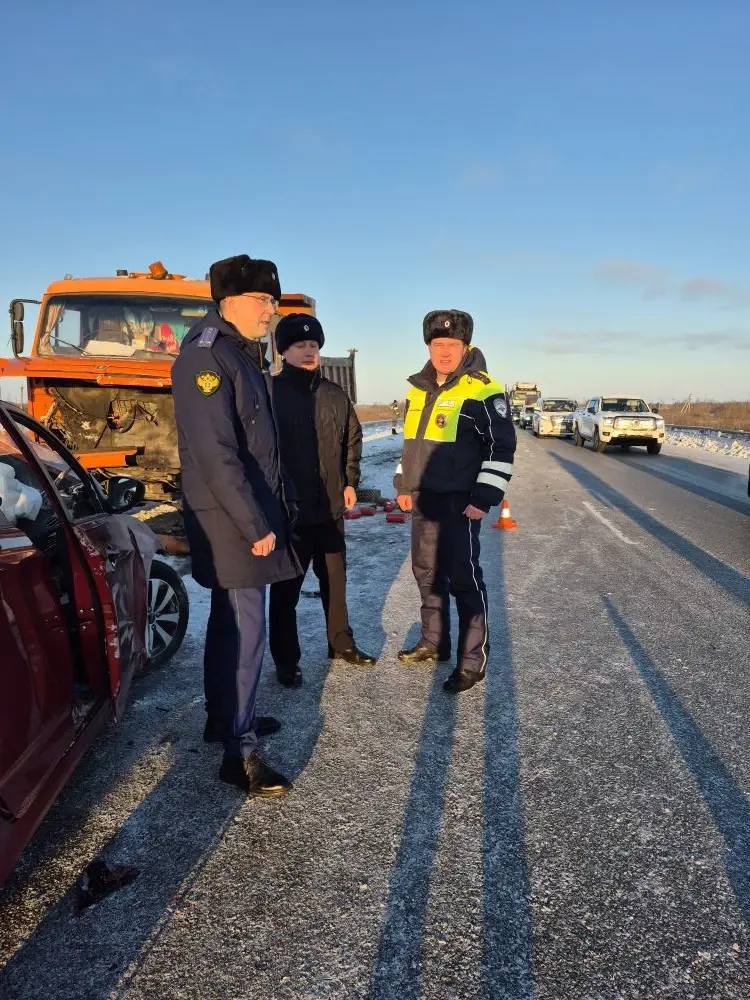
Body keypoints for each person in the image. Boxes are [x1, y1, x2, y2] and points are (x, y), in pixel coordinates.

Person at [172, 254, 299, 797]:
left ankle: (225, 721)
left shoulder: (242, 354)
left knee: (229, 623)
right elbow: (217, 453)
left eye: (273, 301)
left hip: (243, 512)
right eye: (261, 301)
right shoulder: (206, 359)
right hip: (229, 518)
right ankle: (240, 754)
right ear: (228, 302)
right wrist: (254, 523)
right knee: (247, 630)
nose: (271, 311)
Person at [394, 309, 516, 693]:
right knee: (426, 573)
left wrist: (484, 497)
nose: (444, 352)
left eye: (452, 344)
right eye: (437, 344)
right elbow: (412, 445)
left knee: (464, 579)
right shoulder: (418, 390)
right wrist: (402, 483)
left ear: (466, 346)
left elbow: (501, 447)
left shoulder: (483, 389)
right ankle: (434, 642)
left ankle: (471, 660)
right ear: (428, 346)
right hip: (423, 499)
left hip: (461, 502)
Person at [269, 313, 376, 686]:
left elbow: (352, 439)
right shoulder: (270, 393)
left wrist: (350, 481)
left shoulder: (334, 393)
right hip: (290, 512)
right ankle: (286, 660)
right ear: (284, 351)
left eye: (313, 345)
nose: (308, 351)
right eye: (300, 345)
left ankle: (341, 643)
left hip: (330, 507)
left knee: (335, 581)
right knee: (286, 591)